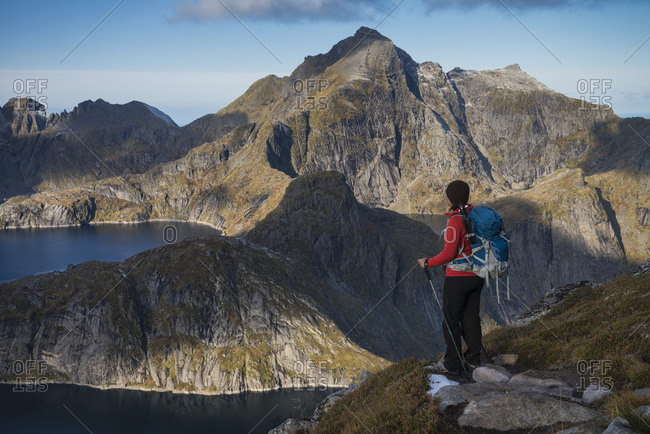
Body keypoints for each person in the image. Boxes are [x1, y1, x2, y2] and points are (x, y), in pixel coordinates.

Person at [418, 180, 485, 374]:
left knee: (451, 320)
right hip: (478, 274)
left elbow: (448, 254)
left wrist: (428, 262)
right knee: (471, 317)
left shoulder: (455, 221)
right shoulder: (476, 215)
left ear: (452, 198)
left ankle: (453, 364)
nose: (446, 198)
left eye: (448, 195)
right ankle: (474, 360)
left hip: (458, 277)